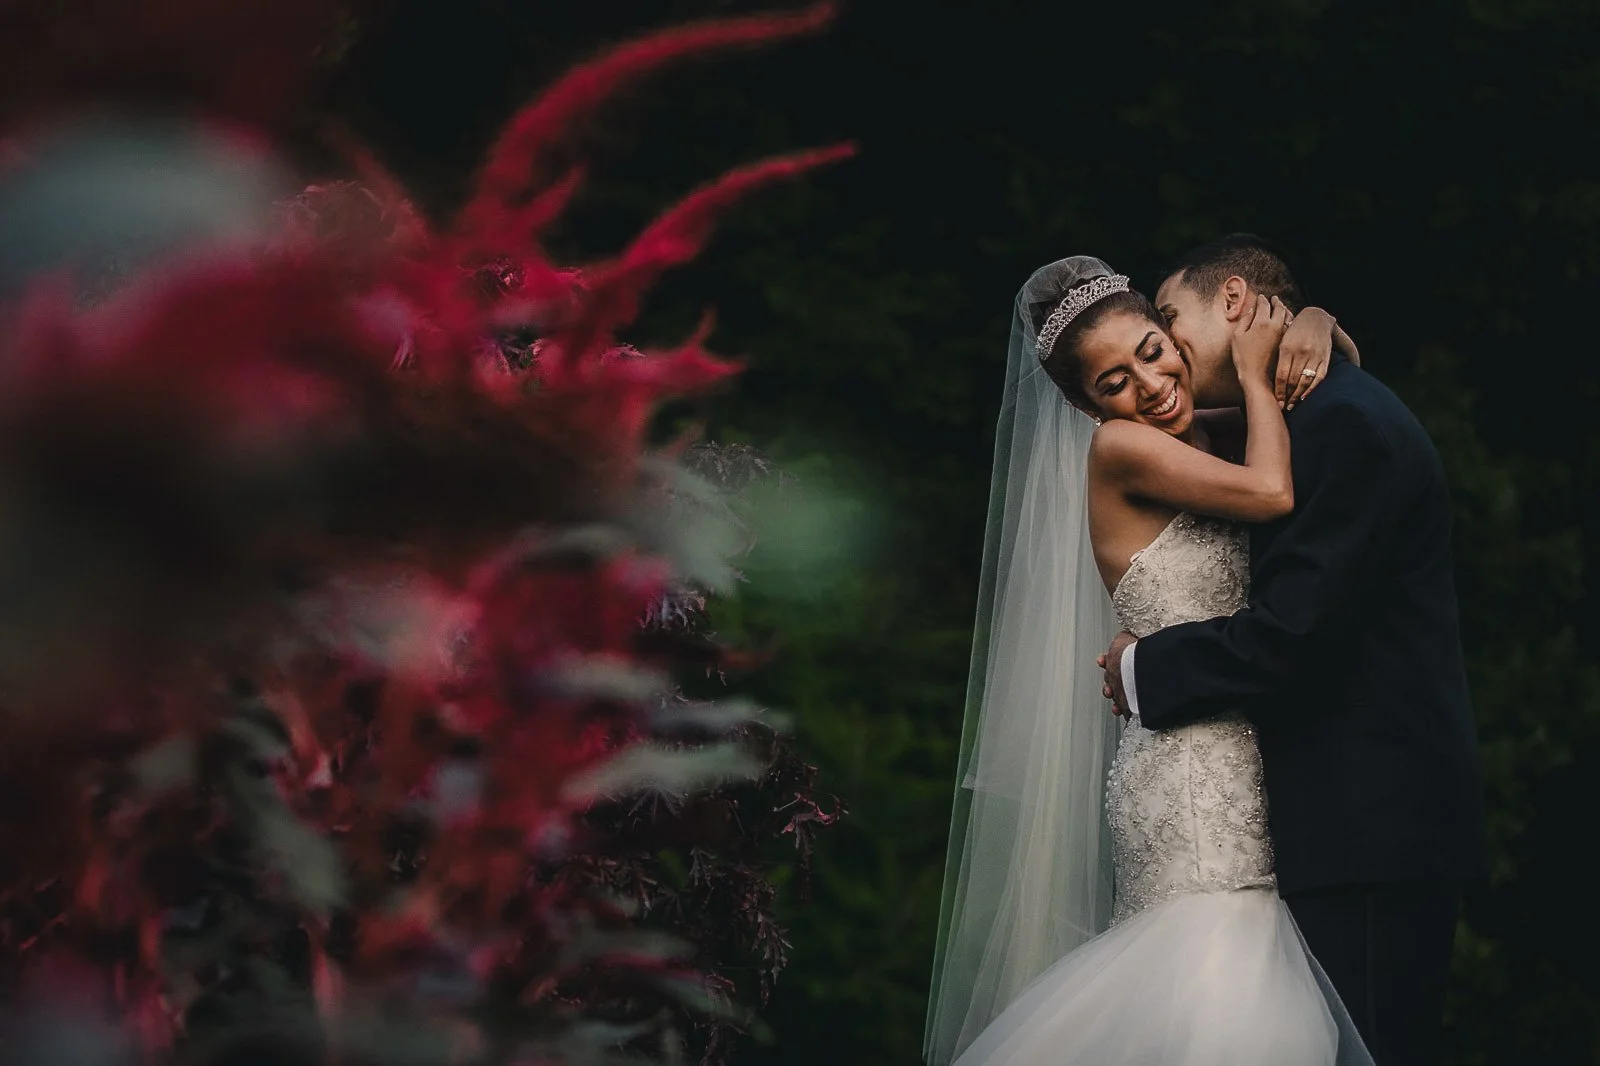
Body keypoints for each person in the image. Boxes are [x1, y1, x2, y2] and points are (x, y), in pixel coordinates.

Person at [925, 253, 1375, 1066]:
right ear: (1085, 408)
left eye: (1151, 350)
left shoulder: (1204, 432)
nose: (1149, 383)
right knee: (1226, 1000)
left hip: (1241, 752)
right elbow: (1272, 493)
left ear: (1171, 335)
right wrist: (1252, 364)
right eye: (1112, 384)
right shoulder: (1125, 451)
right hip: (1193, 783)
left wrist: (1311, 322)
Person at [1102, 235, 1489, 1066]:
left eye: (1170, 320)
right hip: (1342, 830)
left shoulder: (1344, 423)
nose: (1166, 348)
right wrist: (1312, 323)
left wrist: (1143, 667)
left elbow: (1295, 635)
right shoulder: (1296, 417)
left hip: (1372, 833)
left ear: (1235, 302)